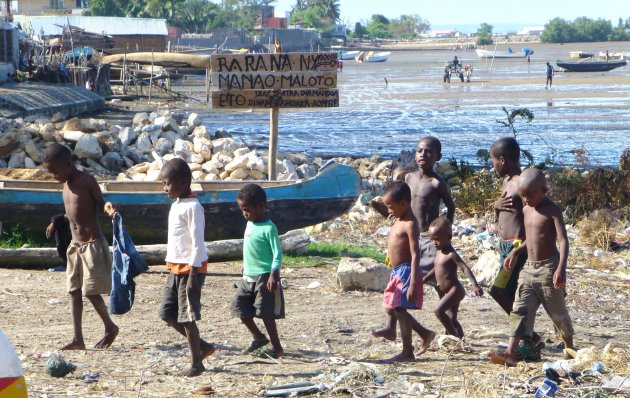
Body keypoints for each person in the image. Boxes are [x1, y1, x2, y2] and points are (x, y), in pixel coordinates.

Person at [488, 168, 575, 366]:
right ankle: (511, 353)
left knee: (557, 311)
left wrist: (561, 268)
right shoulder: (526, 209)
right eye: (523, 195)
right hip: (529, 268)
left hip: (549, 268)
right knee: (520, 309)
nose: (526, 199)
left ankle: (569, 348)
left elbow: (563, 241)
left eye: (530, 195)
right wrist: (515, 252)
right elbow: (530, 239)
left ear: (544, 190)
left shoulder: (552, 210)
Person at [373, 136, 454, 346]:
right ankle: (393, 328)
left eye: (428, 152)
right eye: (419, 151)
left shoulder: (437, 182)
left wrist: (444, 231)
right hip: (410, 237)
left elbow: (450, 206)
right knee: (397, 288)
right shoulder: (409, 179)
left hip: (428, 237)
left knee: (440, 280)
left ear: (438, 157)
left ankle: (451, 324)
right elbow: (400, 201)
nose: (422, 155)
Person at [43, 143, 119, 351]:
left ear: (67, 164)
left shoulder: (87, 181)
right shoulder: (65, 185)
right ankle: (78, 338)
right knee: (74, 290)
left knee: (91, 292)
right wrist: (57, 221)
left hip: (92, 244)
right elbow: (73, 212)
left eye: (55, 171)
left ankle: (110, 327)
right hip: (75, 246)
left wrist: (109, 209)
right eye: (50, 172)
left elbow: (99, 203)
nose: (53, 176)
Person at [158, 158, 215, 377]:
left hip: (190, 271)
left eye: (168, 183)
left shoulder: (194, 207)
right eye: (163, 183)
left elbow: (197, 242)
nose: (165, 188)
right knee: (167, 313)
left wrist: (193, 275)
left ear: (183, 182)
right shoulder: (177, 205)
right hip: (175, 269)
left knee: (187, 318)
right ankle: (204, 346)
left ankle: (196, 364)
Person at [489, 138, 542, 349]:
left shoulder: (522, 183)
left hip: (516, 246)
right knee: (508, 292)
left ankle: (530, 336)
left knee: (499, 291)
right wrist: (496, 205)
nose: (492, 166)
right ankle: (525, 336)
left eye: (493, 161)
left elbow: (532, 215)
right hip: (505, 244)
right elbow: (503, 209)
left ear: (502, 159)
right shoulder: (507, 181)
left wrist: (524, 246)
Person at [376, 181, 435, 362]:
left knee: (400, 309)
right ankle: (396, 330)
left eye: (391, 207)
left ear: (403, 203)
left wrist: (413, 282)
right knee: (391, 306)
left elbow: (416, 253)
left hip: (406, 272)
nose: (389, 211)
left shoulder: (410, 224)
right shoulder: (399, 218)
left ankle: (408, 351)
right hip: (397, 271)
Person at [232, 184, 285, 358]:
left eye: (246, 209)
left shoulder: (269, 228)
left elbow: (277, 253)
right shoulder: (249, 225)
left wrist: (274, 273)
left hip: (264, 276)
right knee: (239, 308)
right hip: (248, 277)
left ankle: (277, 348)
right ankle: (258, 337)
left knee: (266, 314)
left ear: (260, 206)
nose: (244, 213)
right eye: (242, 210)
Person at [423, 218, 483, 338]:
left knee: (438, 311)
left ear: (449, 237)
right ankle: (460, 340)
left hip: (455, 290)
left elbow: (464, 268)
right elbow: (437, 268)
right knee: (452, 319)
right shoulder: (439, 252)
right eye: (432, 239)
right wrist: (425, 278)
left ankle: (453, 335)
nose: (434, 242)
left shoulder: (451, 254)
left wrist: (475, 284)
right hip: (447, 291)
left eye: (437, 239)